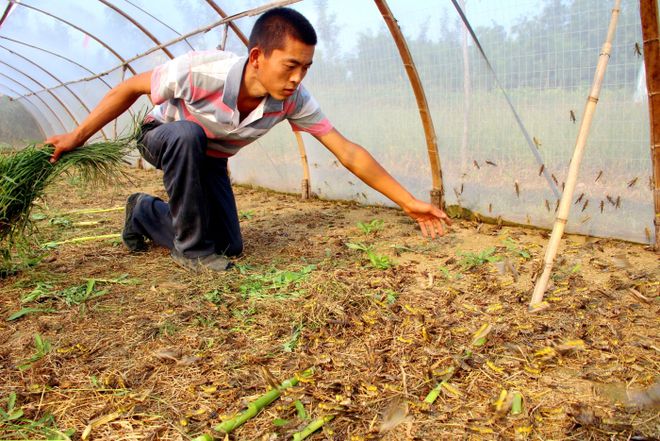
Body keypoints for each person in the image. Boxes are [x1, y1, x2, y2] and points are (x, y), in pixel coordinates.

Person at [45, 7, 451, 272]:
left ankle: (144, 212)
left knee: (231, 246)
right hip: (162, 136)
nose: (297, 78)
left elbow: (346, 150)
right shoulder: (201, 71)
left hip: (209, 157)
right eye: (291, 65)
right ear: (257, 57)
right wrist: (77, 136)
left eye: (306, 68)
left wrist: (408, 202)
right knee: (188, 136)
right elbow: (130, 87)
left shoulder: (291, 100)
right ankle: (191, 252)